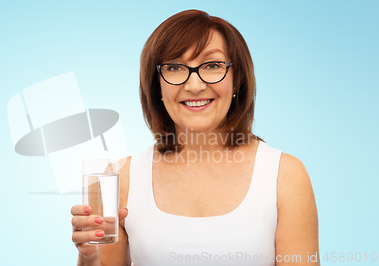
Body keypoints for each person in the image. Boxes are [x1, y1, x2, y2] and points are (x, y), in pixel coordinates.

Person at [71, 9, 319, 266]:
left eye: (212, 65)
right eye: (175, 67)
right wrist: (88, 257)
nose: (194, 85)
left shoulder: (285, 175)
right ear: (157, 87)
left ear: (237, 81)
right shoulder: (119, 178)